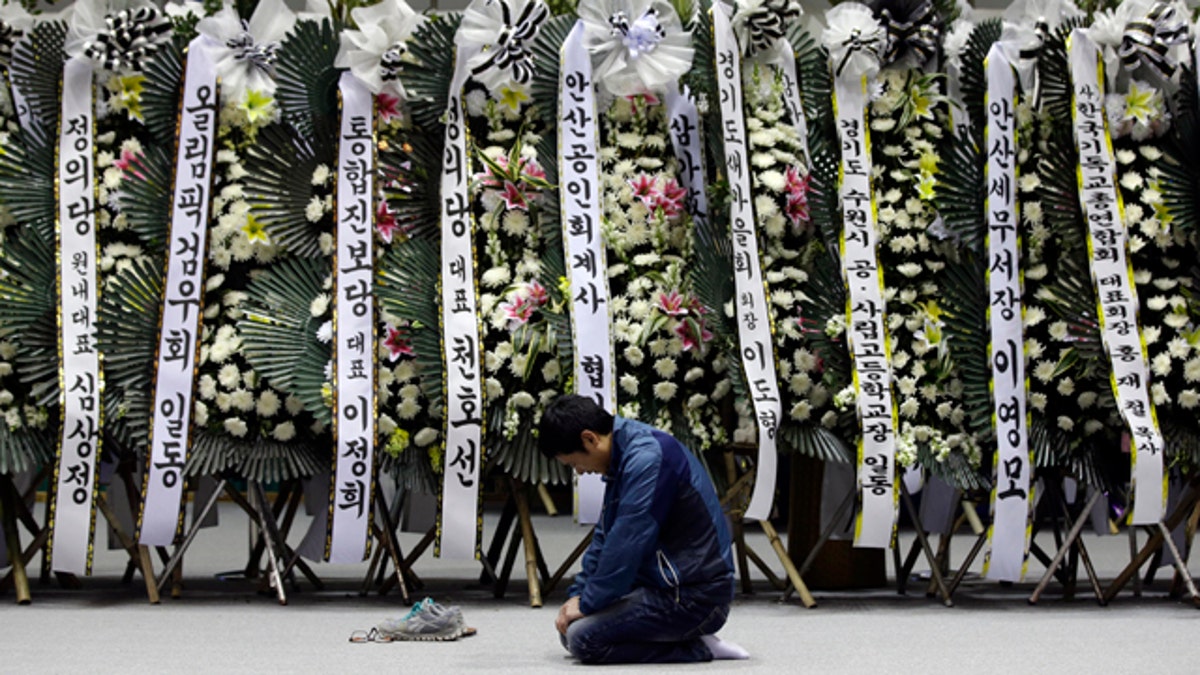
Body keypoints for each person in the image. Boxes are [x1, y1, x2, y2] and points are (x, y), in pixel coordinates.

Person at [538, 394, 750, 664]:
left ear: (590, 438)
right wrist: (579, 595)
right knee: (570, 631)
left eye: (573, 463)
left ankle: (698, 648)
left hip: (694, 598)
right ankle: (677, 636)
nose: (579, 471)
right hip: (660, 584)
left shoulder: (647, 459)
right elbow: (605, 536)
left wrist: (589, 603)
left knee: (584, 639)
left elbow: (626, 544)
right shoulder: (623, 451)